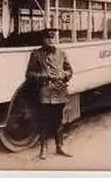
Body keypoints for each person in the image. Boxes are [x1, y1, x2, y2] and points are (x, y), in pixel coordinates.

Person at [25, 28, 74, 160]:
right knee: (44, 121)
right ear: (43, 40)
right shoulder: (36, 54)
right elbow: (29, 74)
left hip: (59, 91)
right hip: (45, 92)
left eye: (53, 38)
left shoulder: (61, 53)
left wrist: (66, 75)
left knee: (59, 121)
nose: (51, 40)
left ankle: (60, 147)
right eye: (48, 38)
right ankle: (43, 149)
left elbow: (69, 70)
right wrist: (44, 76)